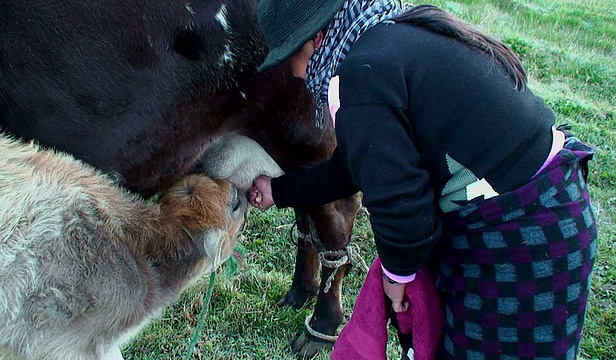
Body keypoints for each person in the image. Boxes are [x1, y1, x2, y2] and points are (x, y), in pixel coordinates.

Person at [250, 0, 598, 359]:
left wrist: (397, 275)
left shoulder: (358, 80)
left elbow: (402, 209)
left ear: (318, 39)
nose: (292, 72)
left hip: (522, 238)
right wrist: (277, 190)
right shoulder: (393, 38)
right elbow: (352, 167)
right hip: (552, 209)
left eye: (291, 54)